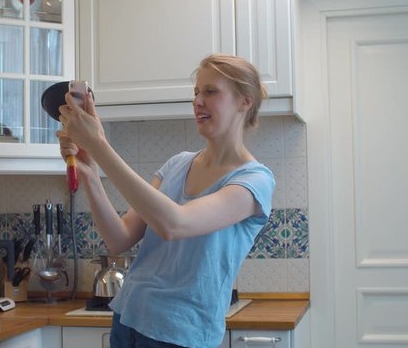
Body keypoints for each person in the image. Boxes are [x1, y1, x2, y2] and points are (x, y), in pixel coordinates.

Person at [56, 54, 275, 348]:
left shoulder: (255, 180)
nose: (198, 101)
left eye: (210, 91)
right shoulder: (178, 164)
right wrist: (91, 173)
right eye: (196, 92)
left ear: (244, 101)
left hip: (180, 334)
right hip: (127, 318)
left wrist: (99, 144)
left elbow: (175, 223)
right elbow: (118, 239)